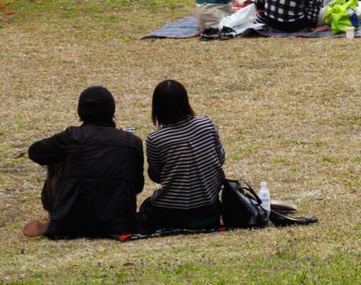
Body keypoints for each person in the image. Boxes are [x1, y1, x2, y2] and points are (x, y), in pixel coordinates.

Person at [25, 86, 143, 238]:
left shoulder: (71, 137)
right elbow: (137, 186)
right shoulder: (132, 142)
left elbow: (35, 152)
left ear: (81, 111)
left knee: (56, 155)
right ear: (112, 111)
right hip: (119, 223)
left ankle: (53, 215)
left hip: (71, 221)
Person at [139, 80, 225, 233]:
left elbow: (156, 176)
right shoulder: (206, 124)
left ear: (157, 107)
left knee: (146, 207)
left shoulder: (155, 139)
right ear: (185, 102)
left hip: (171, 212)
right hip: (209, 209)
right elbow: (220, 158)